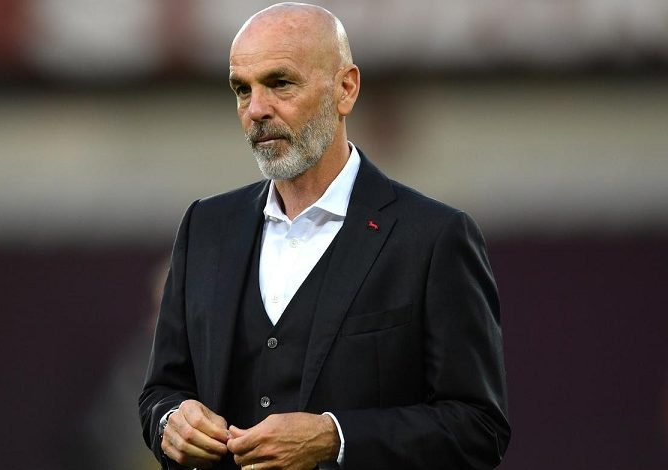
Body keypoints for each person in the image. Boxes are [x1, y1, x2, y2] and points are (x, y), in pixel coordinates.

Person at [139, 3, 510, 469]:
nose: (256, 109)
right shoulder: (205, 227)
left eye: (280, 83)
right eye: (242, 89)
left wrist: (336, 438)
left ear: (345, 89)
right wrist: (171, 421)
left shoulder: (432, 238)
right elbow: (161, 391)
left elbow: (478, 428)